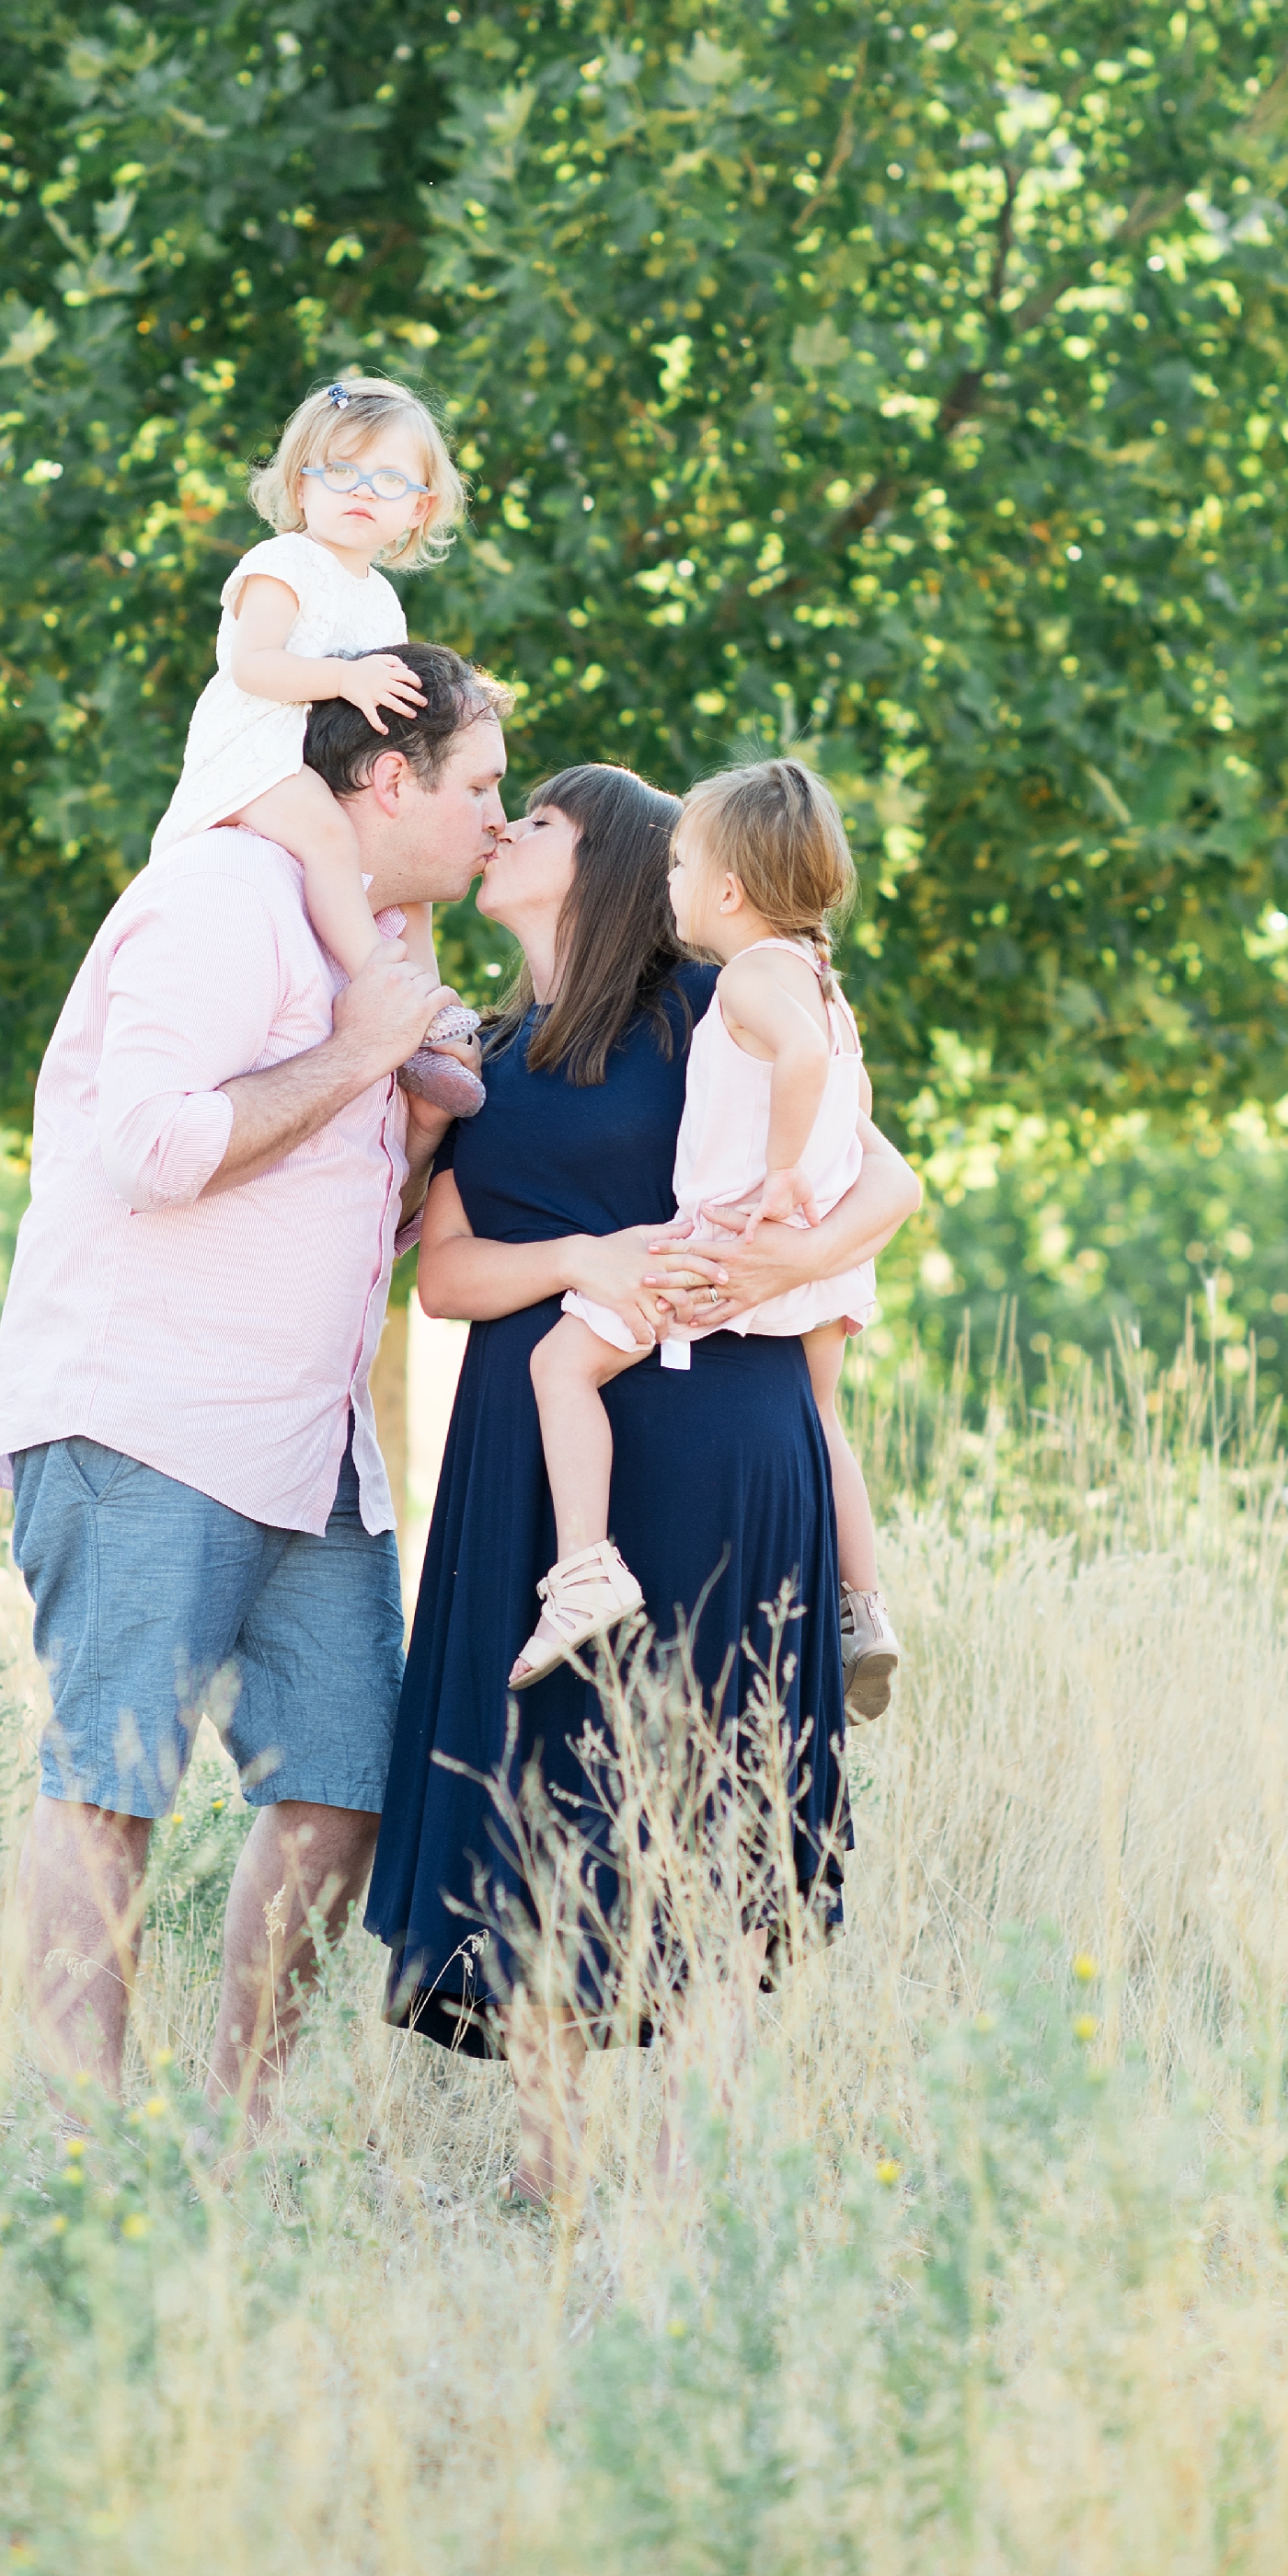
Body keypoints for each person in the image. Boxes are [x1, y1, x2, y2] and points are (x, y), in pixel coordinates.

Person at [362, 764, 924, 2205]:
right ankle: (553, 2178)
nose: (500, 830)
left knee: (713, 1793)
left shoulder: (703, 1002)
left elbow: (883, 1180)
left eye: (531, 817)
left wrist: (782, 1262)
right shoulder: (484, 1052)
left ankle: (691, 2176)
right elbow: (450, 1278)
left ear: (604, 855)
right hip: (536, 1465)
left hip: (718, 1431)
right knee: (541, 1790)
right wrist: (581, 1264)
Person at [0, 642, 512, 2118]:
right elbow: (153, 1148)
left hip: (310, 1450)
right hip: (148, 1416)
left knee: (343, 1785)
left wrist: (406, 1146)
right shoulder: (222, 897)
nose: (496, 819)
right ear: (390, 775)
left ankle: (229, 2139)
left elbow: (340, 1207)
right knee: (112, 1785)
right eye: (482, 785)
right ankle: (76, 2154)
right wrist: (357, 1055)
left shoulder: (373, 947)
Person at [517, 758, 903, 1719]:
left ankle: (584, 1573)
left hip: (721, 1246)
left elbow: (806, 1066)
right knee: (821, 1424)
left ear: (727, 889)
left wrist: (774, 1169)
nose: (668, 881)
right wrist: (807, 1181)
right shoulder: (820, 979)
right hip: (812, 1262)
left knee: (563, 1367)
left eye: (680, 864)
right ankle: (864, 1605)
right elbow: (851, 1098)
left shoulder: (744, 982)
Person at [154, 371, 485, 1115]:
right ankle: (383, 990)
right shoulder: (284, 565)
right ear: (301, 485)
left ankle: (426, 1017)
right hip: (258, 748)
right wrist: (346, 680)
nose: (360, 489)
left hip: (325, 762)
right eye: (340, 470)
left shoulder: (381, 597)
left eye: (388, 477)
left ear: (418, 507)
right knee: (333, 842)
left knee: (413, 870)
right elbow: (253, 665)